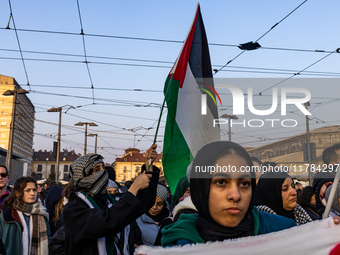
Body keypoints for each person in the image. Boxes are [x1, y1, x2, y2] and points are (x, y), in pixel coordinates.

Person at [161, 141, 297, 247]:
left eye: (244, 184)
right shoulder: (174, 245)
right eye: (221, 182)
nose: (235, 195)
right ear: (200, 188)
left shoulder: (288, 234)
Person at [63, 144, 160, 255]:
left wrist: (149, 166)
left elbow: (141, 202)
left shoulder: (109, 201)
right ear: (83, 176)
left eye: (102, 167)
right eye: (96, 169)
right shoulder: (74, 209)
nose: (103, 172)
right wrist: (134, 187)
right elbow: (108, 221)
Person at [0, 176, 50, 255]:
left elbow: (48, 242)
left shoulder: (42, 214)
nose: (32, 193)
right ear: (17, 193)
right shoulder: (6, 215)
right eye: (27, 190)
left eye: (34, 190)